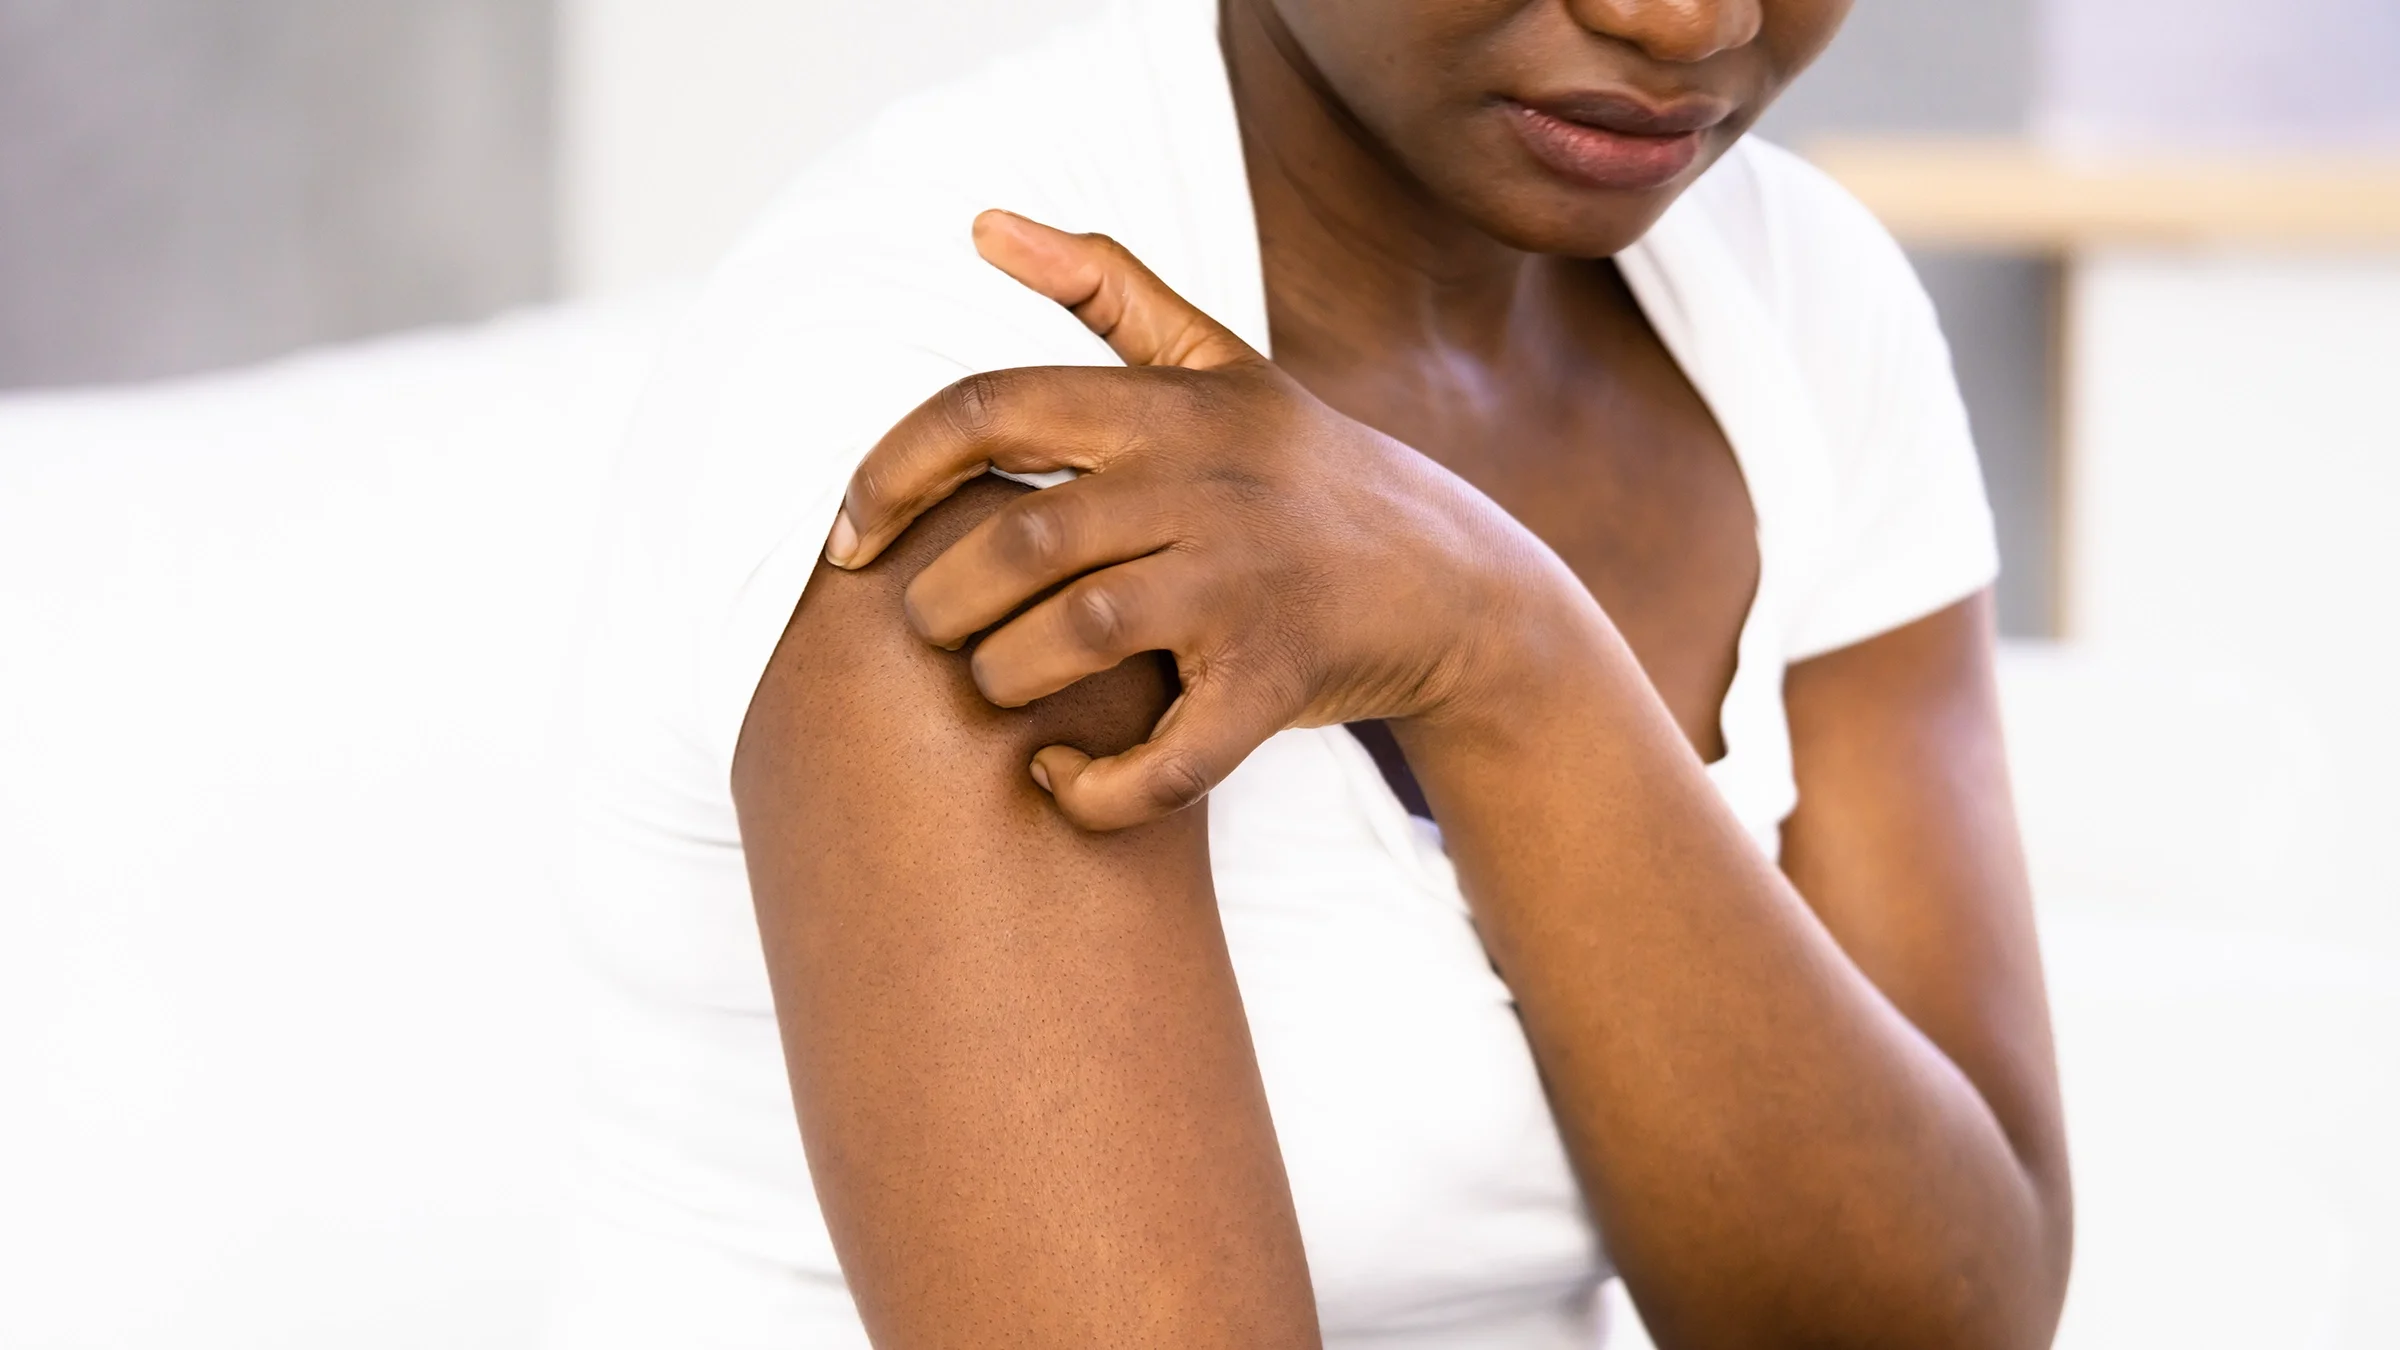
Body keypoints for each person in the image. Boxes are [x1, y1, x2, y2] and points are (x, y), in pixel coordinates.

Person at [553, 0, 2074, 1346]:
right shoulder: (948, 416)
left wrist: (1505, 648)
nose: (1684, 22)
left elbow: (1944, 1310)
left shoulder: (1800, 302)